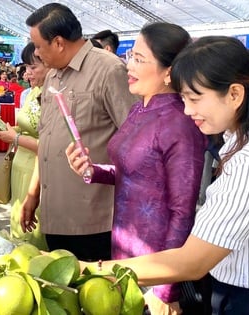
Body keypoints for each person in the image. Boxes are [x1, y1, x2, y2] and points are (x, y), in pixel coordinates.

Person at [72, 35, 249, 313]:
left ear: (234, 94)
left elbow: (191, 260)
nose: (187, 110)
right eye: (183, 98)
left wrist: (89, 269)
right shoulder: (242, 138)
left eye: (195, 98)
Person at [66, 22, 207, 314]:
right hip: (126, 251)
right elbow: (137, 176)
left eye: (140, 59)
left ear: (169, 71)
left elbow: (183, 210)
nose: (129, 64)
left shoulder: (180, 122)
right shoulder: (139, 108)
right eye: (131, 54)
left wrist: (166, 291)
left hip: (159, 266)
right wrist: (92, 171)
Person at [20, 3, 137, 261]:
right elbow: (47, 140)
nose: (36, 53)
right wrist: (33, 194)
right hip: (55, 212)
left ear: (59, 43)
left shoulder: (108, 70)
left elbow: (135, 142)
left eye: (39, 46)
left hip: (92, 217)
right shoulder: (53, 77)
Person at [0, 42, 49, 250]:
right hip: (20, 168)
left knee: (33, 233)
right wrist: (7, 128)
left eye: (33, 68)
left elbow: (50, 145)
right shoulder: (33, 93)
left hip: (37, 172)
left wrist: (14, 139)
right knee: (18, 222)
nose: (27, 74)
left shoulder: (51, 96)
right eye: (26, 68)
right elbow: (26, 127)